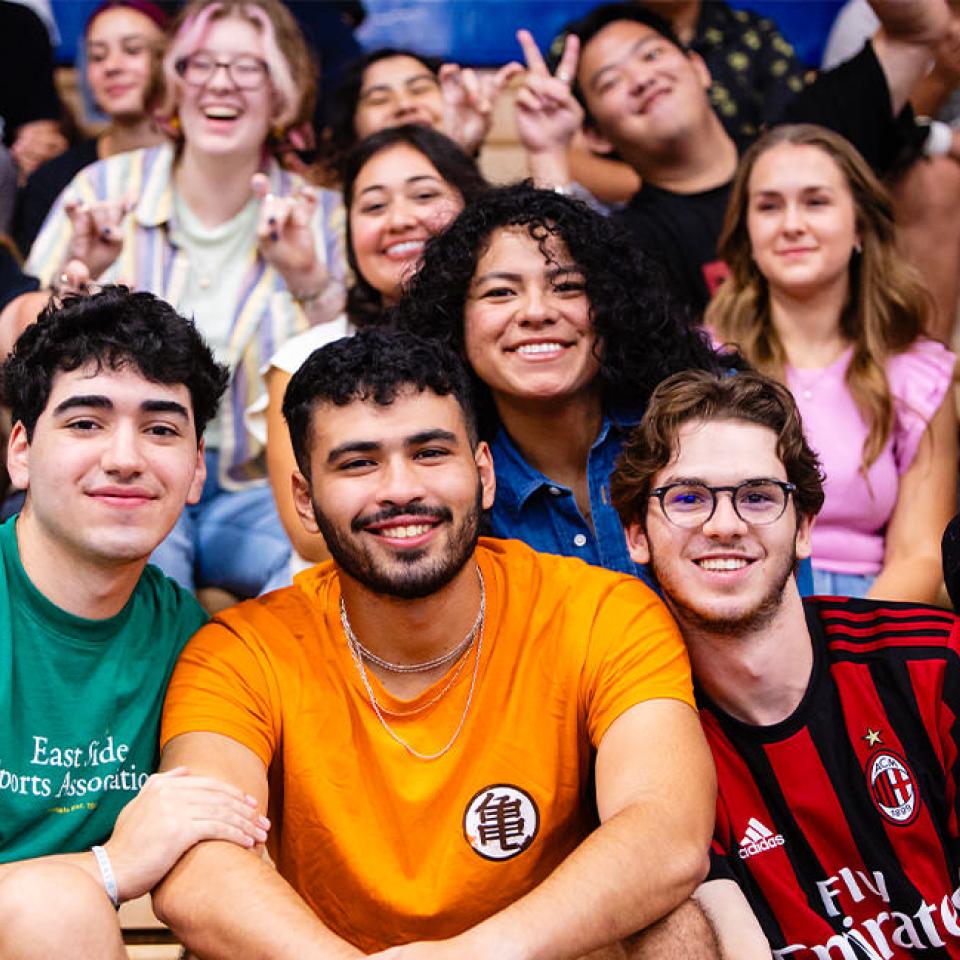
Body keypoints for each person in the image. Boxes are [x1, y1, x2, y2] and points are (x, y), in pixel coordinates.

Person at [153, 328, 719, 957]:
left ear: (483, 473)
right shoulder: (241, 650)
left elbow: (667, 834)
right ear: (305, 501)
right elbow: (197, 868)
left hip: (531, 953)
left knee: (678, 927)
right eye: (359, 462)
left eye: (429, 453)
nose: (400, 489)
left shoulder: (600, 612)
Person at [610, 368, 960, 956]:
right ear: (636, 536)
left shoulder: (932, 663)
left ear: (803, 528)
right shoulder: (652, 744)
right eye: (688, 498)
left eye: (757, 497)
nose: (725, 525)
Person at [25, 0, 347, 600]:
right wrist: (76, 280)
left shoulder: (321, 213)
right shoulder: (103, 189)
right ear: (174, 84)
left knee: (323, 570)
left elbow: (355, 378)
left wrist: (310, 280)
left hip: (260, 490)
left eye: (249, 67)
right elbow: (27, 356)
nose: (221, 83)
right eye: (201, 63)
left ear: (282, 92)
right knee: (129, 578)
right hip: (129, 474)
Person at [0, 286, 268, 959]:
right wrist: (109, 869)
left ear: (198, 470)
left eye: (161, 429)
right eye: (86, 423)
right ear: (22, 452)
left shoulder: (196, 645)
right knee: (54, 909)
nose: (125, 458)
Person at [392, 182, 740, 585]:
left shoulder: (713, 422)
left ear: (613, 306)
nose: (536, 312)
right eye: (501, 292)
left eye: (567, 287)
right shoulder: (444, 486)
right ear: (455, 322)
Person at [527, 0, 948, 311]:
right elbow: (566, 299)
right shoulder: (634, 242)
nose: (641, 79)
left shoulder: (807, 146)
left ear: (698, 67)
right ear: (596, 134)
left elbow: (917, 30)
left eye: (652, 54)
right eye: (610, 82)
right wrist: (547, 149)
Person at [706, 123, 956, 603]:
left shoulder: (919, 374)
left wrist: (837, 662)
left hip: (870, 621)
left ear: (860, 225)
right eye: (769, 206)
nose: (792, 224)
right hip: (729, 611)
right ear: (747, 232)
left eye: (816, 202)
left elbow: (920, 557)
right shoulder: (702, 362)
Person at [250, 124, 486, 578]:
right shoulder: (306, 357)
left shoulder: (500, 346)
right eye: (374, 206)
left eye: (423, 196)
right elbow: (311, 537)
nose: (399, 220)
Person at [824, 0, 960, 342]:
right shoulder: (871, 16)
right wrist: (941, 78)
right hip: (894, 187)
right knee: (937, 180)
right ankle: (930, 369)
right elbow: (850, 148)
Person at [14, 0, 170, 255]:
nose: (112, 66)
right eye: (97, 56)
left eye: (132, 50)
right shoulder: (55, 180)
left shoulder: (198, 167)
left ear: (169, 60)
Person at [318, 47, 521, 181]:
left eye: (419, 89)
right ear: (351, 126)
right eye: (379, 99)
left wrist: (458, 152)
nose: (405, 105)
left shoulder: (490, 210)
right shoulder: (320, 222)